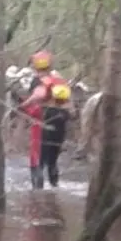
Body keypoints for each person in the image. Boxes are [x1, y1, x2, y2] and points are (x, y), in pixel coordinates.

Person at [19, 51, 75, 189]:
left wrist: (23, 105)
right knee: (53, 158)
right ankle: (54, 186)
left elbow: (40, 94)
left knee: (38, 158)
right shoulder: (59, 80)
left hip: (44, 118)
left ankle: (37, 192)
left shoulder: (39, 80)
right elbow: (70, 105)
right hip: (61, 118)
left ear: (35, 65)